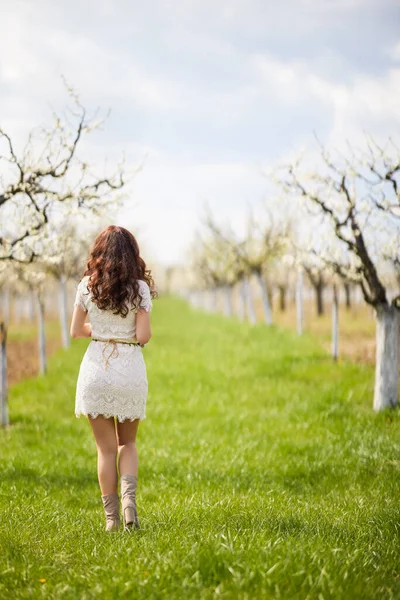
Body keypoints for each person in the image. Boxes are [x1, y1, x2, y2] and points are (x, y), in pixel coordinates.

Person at [70, 225, 156, 532]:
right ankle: (130, 508)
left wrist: (103, 331)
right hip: (129, 368)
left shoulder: (86, 286)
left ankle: (110, 520)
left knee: (105, 450)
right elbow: (143, 335)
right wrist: (125, 333)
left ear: (99, 252)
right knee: (127, 444)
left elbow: (76, 331)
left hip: (96, 368)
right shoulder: (140, 289)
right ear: (132, 254)